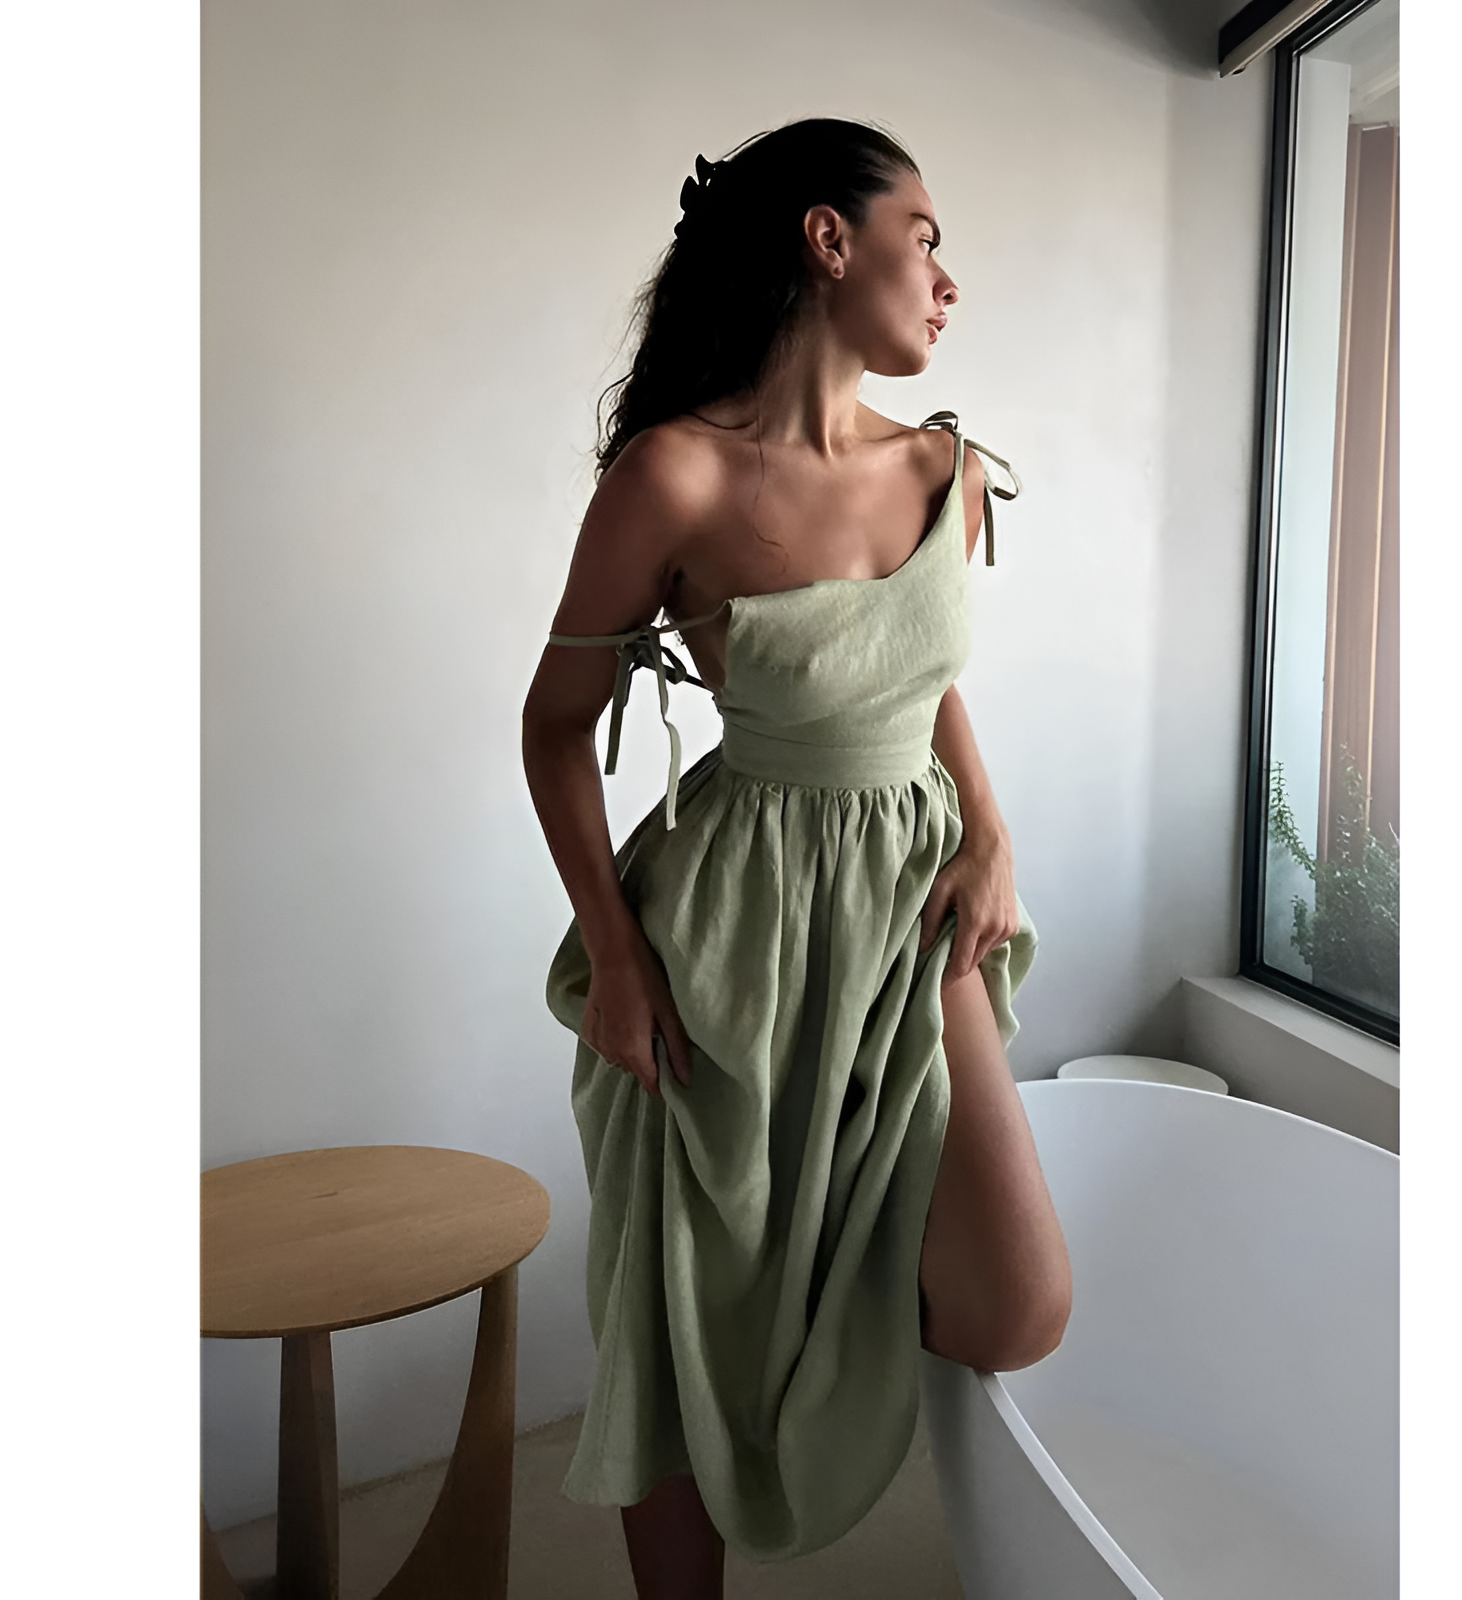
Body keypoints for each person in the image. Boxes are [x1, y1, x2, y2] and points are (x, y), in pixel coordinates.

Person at [522, 117, 1072, 1600]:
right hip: (732, 929)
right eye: (924, 236)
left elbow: (918, 675)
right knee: (688, 1309)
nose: (947, 280)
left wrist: (991, 828)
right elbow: (554, 728)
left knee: (1018, 1298)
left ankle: (830, 1342)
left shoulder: (948, 467)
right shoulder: (676, 476)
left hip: (915, 905)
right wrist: (616, 960)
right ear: (829, 240)